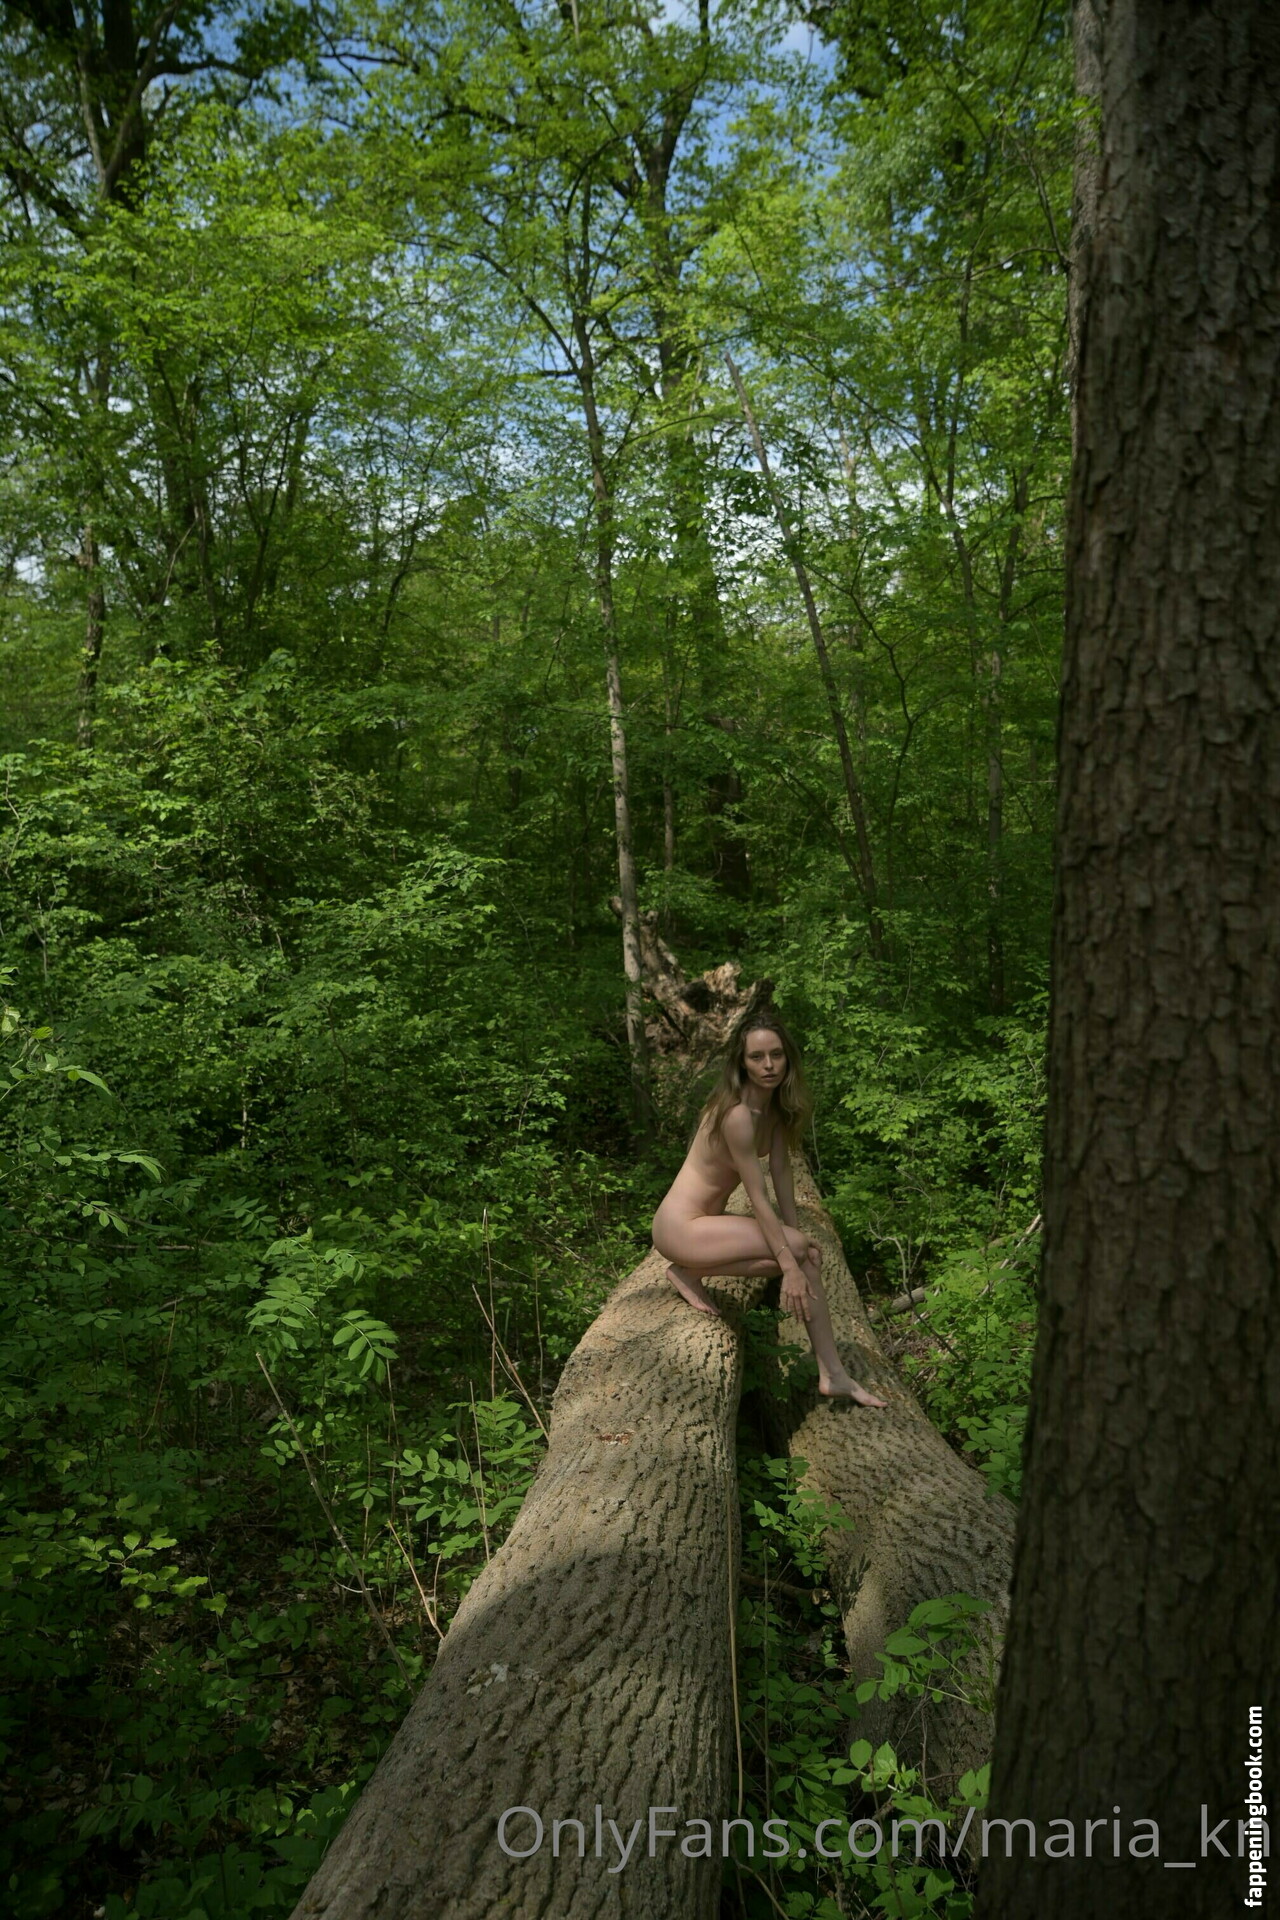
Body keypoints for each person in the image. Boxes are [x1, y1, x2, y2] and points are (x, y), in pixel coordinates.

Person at [651, 1010, 887, 1408]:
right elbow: (758, 1195)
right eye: (757, 1057)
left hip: (705, 1225)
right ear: (741, 1063)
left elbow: (781, 1172)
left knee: (806, 1253)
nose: (768, 1065)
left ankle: (833, 1375)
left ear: (788, 1058)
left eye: (776, 1055)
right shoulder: (737, 1115)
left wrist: (796, 1240)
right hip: (680, 1228)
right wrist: (789, 1259)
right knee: (797, 1256)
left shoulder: (775, 1110)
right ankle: (688, 1270)